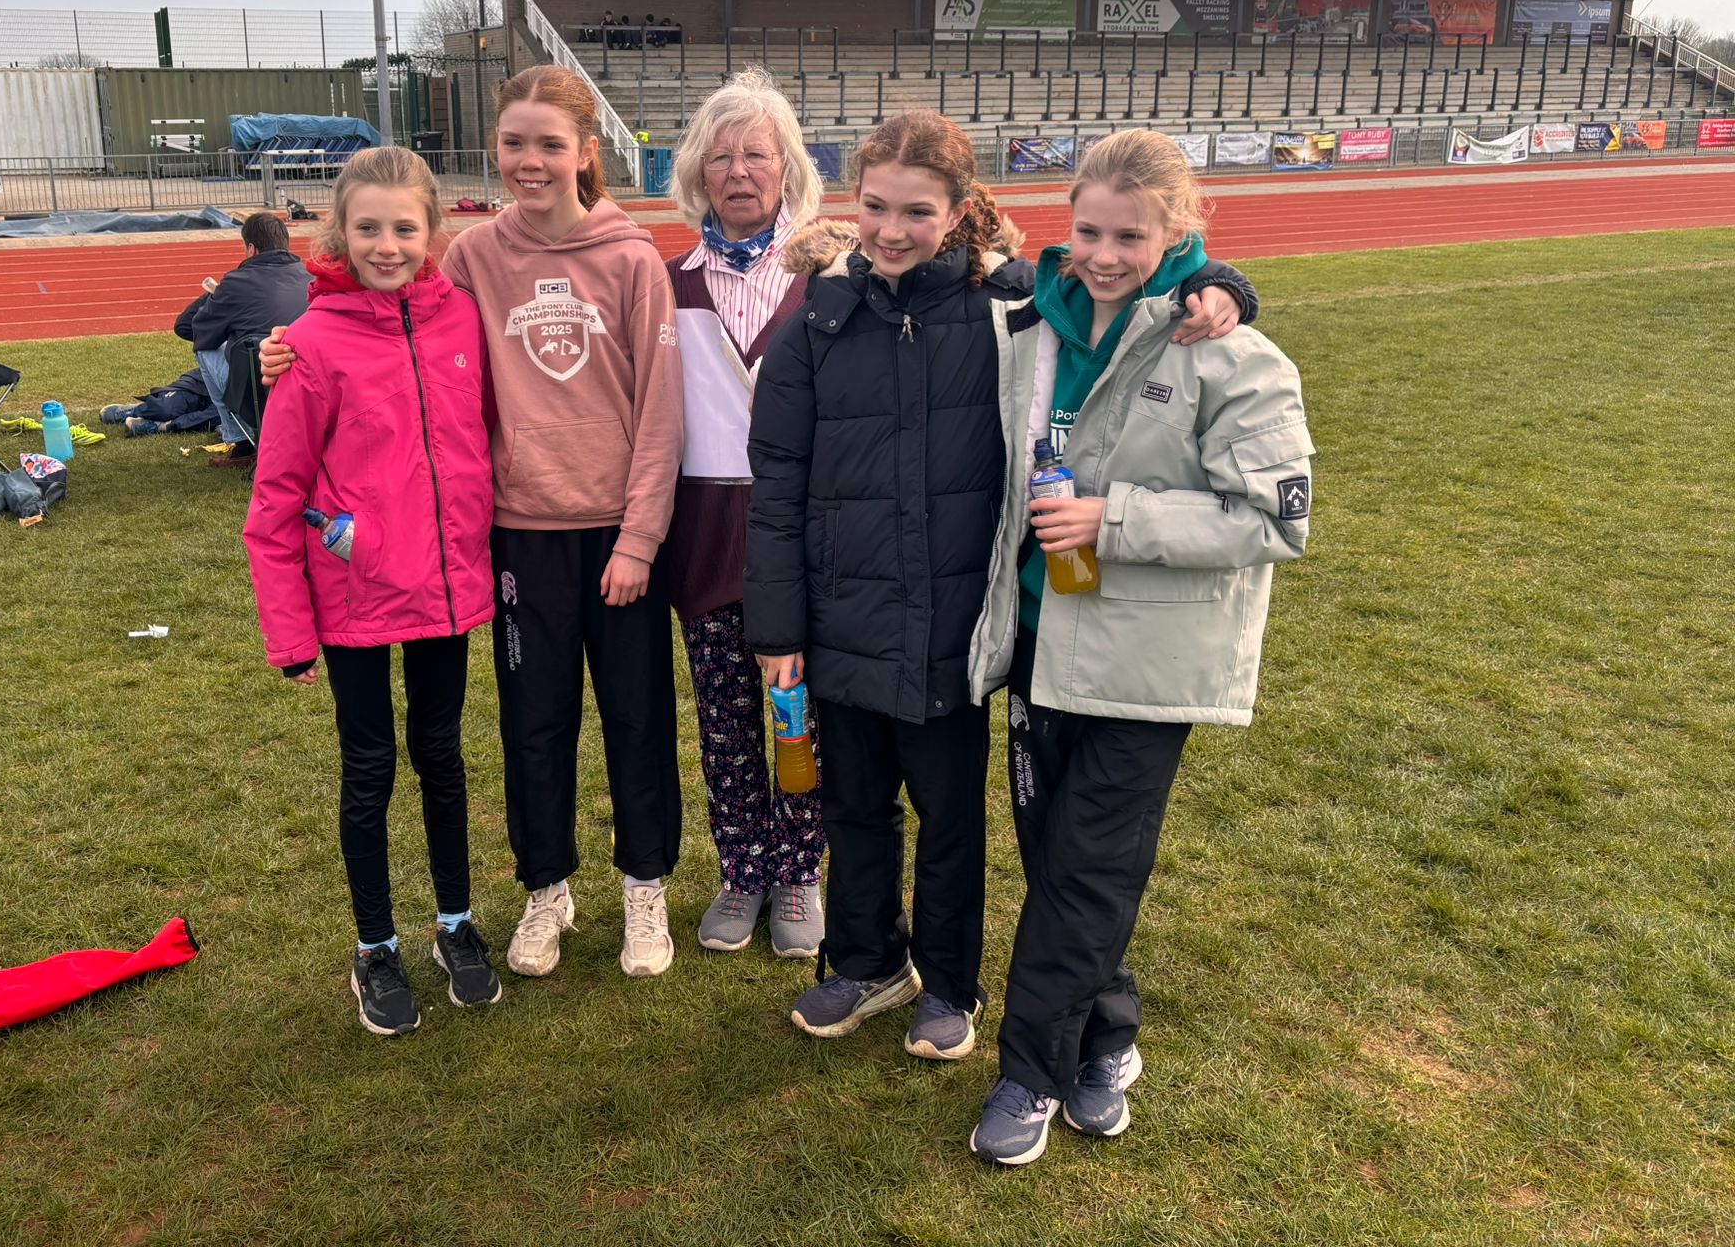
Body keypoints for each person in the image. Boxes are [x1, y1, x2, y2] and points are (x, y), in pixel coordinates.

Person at [745, 111, 1256, 1068]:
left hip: (956, 623)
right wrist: (778, 627)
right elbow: (775, 483)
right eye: (876, 207)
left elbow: (1122, 294)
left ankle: (948, 982)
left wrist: (1220, 283)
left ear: (959, 211)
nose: (893, 230)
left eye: (918, 211)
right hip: (838, 616)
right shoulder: (816, 319)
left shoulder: (1011, 307)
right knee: (852, 807)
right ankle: (865, 961)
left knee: (950, 819)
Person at [260, 67, 687, 982]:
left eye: (549, 144)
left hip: (618, 533)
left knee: (637, 718)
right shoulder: (472, 258)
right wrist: (288, 348)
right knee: (535, 724)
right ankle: (546, 888)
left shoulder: (631, 259)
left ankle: (644, 886)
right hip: (518, 532)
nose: (530, 161)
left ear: (585, 153)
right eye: (514, 143)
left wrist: (641, 536)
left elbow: (661, 412)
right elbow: (390, 325)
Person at [962, 129, 1311, 1166]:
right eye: (1088, 232)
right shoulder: (1031, 326)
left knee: (1086, 871)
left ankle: (1029, 1075)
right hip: (1039, 640)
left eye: (1130, 237)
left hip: (1143, 667)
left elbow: (1276, 520)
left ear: (1179, 234)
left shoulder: (1229, 352)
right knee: (1061, 865)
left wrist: (1112, 519)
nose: (1104, 255)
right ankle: (1108, 1037)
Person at [243, 146, 501, 1037]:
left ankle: (456, 924)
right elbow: (275, 499)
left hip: (443, 590)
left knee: (442, 757)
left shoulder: (462, 319)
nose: (386, 246)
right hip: (353, 595)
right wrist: (290, 635)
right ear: (339, 235)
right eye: (368, 229)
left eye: (403, 228)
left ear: (432, 232)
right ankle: (374, 946)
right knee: (370, 769)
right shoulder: (309, 345)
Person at [662, 68, 829, 958]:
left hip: (803, 532)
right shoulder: (666, 282)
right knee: (725, 718)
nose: (739, 171)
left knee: (800, 711)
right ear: (698, 170)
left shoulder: (830, 275)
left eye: (757, 154)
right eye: (721, 156)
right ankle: (743, 868)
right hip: (705, 531)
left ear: (786, 166)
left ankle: (799, 869)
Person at [173, 211, 309, 468]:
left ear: (251, 249)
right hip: (308, 391)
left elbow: (188, 328)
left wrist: (214, 294)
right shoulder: (311, 278)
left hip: (257, 394)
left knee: (206, 349)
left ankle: (241, 442)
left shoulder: (236, 283)